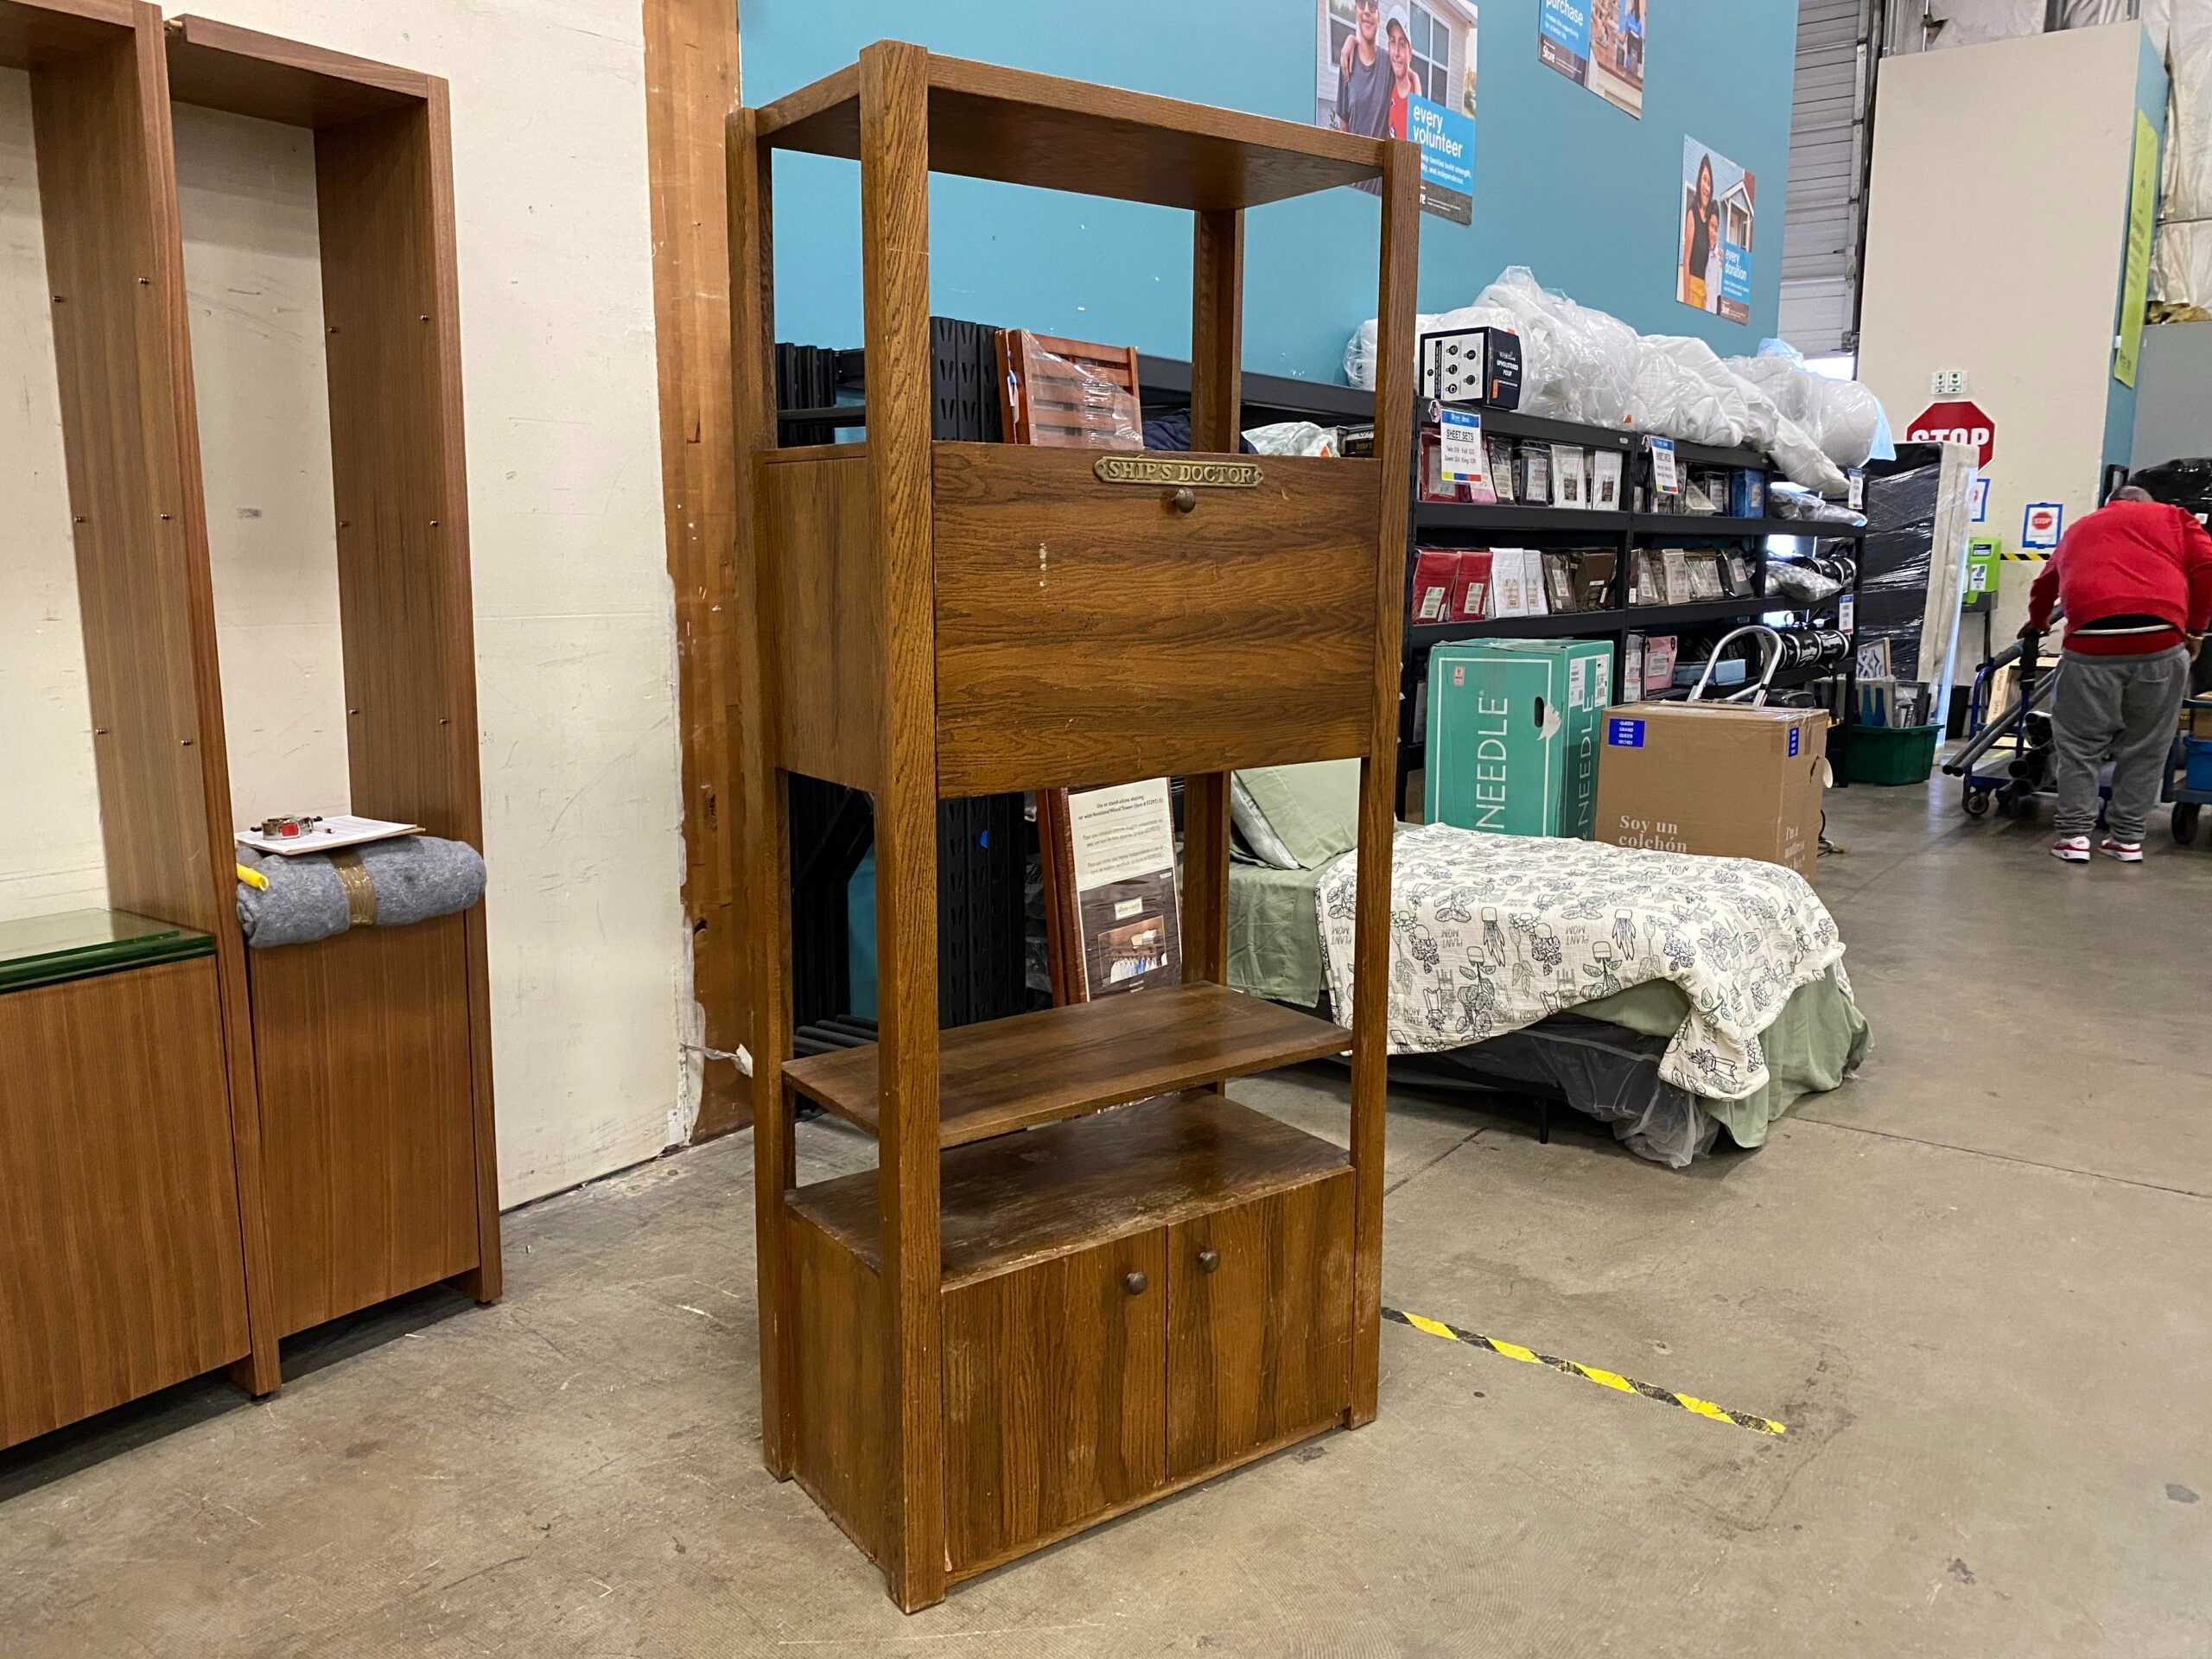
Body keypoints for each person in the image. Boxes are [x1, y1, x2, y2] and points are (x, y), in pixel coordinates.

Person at [2024, 484, 2212, 862]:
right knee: (2147, 746)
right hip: (2159, 641)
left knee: (2079, 745)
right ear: (2147, 503)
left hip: (2090, 644)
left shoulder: (2081, 527)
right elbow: (2208, 568)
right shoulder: (2175, 517)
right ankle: (2126, 839)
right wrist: (2195, 629)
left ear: (2109, 505)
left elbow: (2045, 582)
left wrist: (2038, 622)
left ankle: (2075, 837)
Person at [1333, 0, 1392, 139]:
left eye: (1372, 5)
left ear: (1379, 17)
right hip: (1355, 157)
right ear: (1356, 11)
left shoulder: (1389, 62)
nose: (1366, 10)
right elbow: (1344, 127)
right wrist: (1351, 39)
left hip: (1382, 158)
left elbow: (1409, 77)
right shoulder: (1347, 61)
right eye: (1361, 3)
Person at [1681, 156, 1719, 311]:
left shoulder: (1709, 218)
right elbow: (1686, 259)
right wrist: (1686, 302)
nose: (1706, 187)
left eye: (1709, 183)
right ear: (1698, 181)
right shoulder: (1693, 213)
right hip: (1692, 289)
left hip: (1704, 293)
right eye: (1704, 180)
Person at [1384, 9, 1417, 140]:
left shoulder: (1416, 95)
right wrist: (1351, 40)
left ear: (1410, 53)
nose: (1396, 52)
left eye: (1402, 44)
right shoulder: (1387, 86)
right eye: (1393, 42)